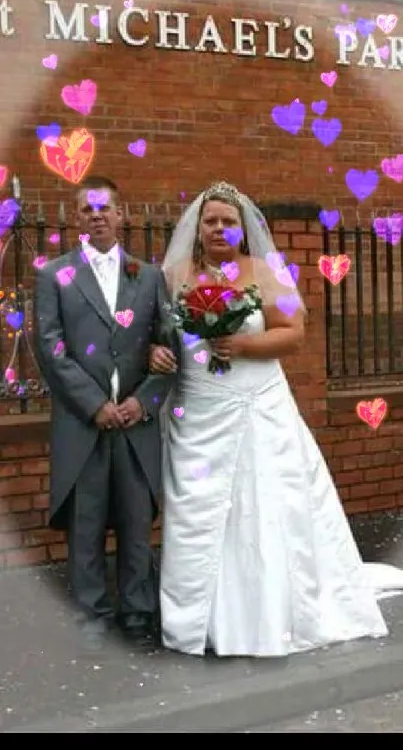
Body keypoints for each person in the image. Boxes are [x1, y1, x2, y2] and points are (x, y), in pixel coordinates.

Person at [149, 180, 403, 658]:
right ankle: (197, 619)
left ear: (243, 230)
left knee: (265, 500)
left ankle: (269, 611)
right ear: (198, 228)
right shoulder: (175, 274)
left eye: (229, 221)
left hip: (256, 404)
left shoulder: (265, 272)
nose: (220, 228)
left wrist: (242, 344)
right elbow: (158, 332)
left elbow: (294, 333)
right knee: (198, 509)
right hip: (199, 408)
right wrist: (156, 351)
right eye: (211, 221)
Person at [33, 175, 179, 651]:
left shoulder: (149, 276)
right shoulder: (55, 275)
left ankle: (138, 612)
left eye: (105, 208)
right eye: (87, 209)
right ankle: (91, 613)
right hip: (85, 423)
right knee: (87, 522)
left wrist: (145, 399)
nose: (97, 215)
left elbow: (169, 347)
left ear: (122, 215)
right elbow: (51, 350)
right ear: (76, 218)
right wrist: (95, 405)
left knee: (137, 523)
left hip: (136, 424)